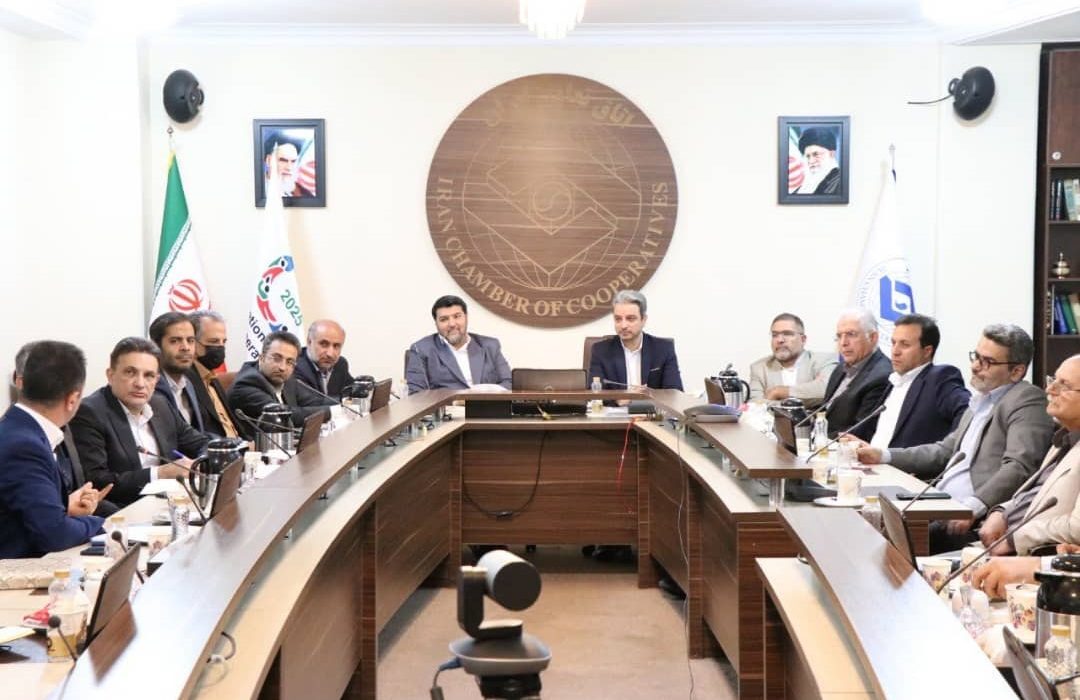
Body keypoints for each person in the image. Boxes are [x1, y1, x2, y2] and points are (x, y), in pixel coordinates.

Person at [856, 324, 1054, 552]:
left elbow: (1019, 466)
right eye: (976, 357)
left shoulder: (1026, 400)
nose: (975, 366)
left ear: (1017, 371)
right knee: (866, 522)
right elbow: (944, 451)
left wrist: (974, 506)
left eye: (987, 362)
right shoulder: (982, 400)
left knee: (877, 542)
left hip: (972, 518)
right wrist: (883, 455)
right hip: (939, 503)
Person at [0, 341, 110, 558]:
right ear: (72, 399)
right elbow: (54, 534)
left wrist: (63, 507)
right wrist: (100, 524)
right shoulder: (25, 446)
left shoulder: (16, 428)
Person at [69, 337, 209, 507]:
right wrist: (159, 473)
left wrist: (200, 463)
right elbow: (97, 481)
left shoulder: (161, 405)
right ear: (110, 375)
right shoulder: (89, 412)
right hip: (122, 510)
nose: (140, 384)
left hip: (169, 504)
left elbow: (201, 443)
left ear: (156, 380)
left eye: (149, 375)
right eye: (130, 372)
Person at [977, 355, 1080, 556]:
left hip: (1036, 558)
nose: (1050, 390)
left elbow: (1077, 527)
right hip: (1004, 543)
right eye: (1053, 380)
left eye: (1064, 385)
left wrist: (1014, 539)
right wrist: (1002, 512)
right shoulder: (1065, 438)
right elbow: (1039, 495)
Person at [12, 343, 118, 517]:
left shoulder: (60, 425)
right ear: (20, 381)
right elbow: (46, 521)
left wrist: (77, 502)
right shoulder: (22, 443)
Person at [864, 314, 969, 449]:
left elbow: (968, 412)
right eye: (893, 343)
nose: (895, 351)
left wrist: (947, 450)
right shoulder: (894, 381)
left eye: (905, 345)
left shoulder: (940, 378)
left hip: (906, 462)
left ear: (927, 351)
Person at [227, 330, 335, 439]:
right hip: (259, 447)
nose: (282, 367)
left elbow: (315, 401)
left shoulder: (285, 379)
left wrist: (343, 403)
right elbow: (284, 417)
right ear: (261, 358)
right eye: (277, 358)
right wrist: (333, 412)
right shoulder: (246, 384)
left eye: (289, 362)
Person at [405, 295, 512, 394]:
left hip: (486, 407)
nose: (452, 324)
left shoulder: (490, 346)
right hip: (447, 408)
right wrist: (460, 400)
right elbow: (417, 394)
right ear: (436, 323)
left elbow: (509, 383)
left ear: (466, 317)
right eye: (444, 319)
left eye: (457, 316)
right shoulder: (421, 349)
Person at [588, 289, 683, 391]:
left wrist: (649, 395)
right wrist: (621, 397)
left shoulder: (663, 349)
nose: (623, 326)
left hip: (651, 402)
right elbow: (594, 392)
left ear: (643, 320)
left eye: (630, 319)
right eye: (618, 319)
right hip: (617, 402)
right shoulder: (601, 351)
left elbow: (675, 392)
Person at [820, 309, 891, 439]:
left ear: (873, 337)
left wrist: (818, 439)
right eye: (839, 336)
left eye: (851, 334)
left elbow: (861, 431)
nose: (843, 343)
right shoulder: (840, 369)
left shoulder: (882, 376)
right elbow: (825, 412)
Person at [748, 312, 836, 405]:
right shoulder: (759, 368)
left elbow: (827, 390)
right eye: (775, 335)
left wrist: (779, 392)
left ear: (803, 340)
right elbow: (755, 404)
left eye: (787, 334)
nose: (780, 340)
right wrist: (792, 404)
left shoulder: (823, 361)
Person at [149, 311, 205, 432]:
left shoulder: (188, 384)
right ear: (155, 346)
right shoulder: (149, 387)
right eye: (175, 341)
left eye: (190, 340)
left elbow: (195, 435)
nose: (186, 347)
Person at [189, 309, 241, 439]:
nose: (220, 347)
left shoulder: (212, 378)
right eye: (213, 341)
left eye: (224, 342)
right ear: (192, 342)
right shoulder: (185, 381)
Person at [293, 319, 354, 399]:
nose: (330, 354)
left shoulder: (340, 364)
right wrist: (346, 400)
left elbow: (352, 390)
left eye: (336, 346)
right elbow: (311, 402)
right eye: (324, 344)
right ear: (309, 342)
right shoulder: (294, 365)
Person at [264, 133, 314, 198]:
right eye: (283, 160)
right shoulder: (257, 189)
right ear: (268, 160)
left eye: (293, 161)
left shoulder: (301, 192)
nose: (289, 167)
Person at [794, 127, 841, 195]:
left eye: (816, 154)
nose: (811, 161)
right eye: (808, 156)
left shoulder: (840, 182)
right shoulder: (803, 187)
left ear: (831, 154)